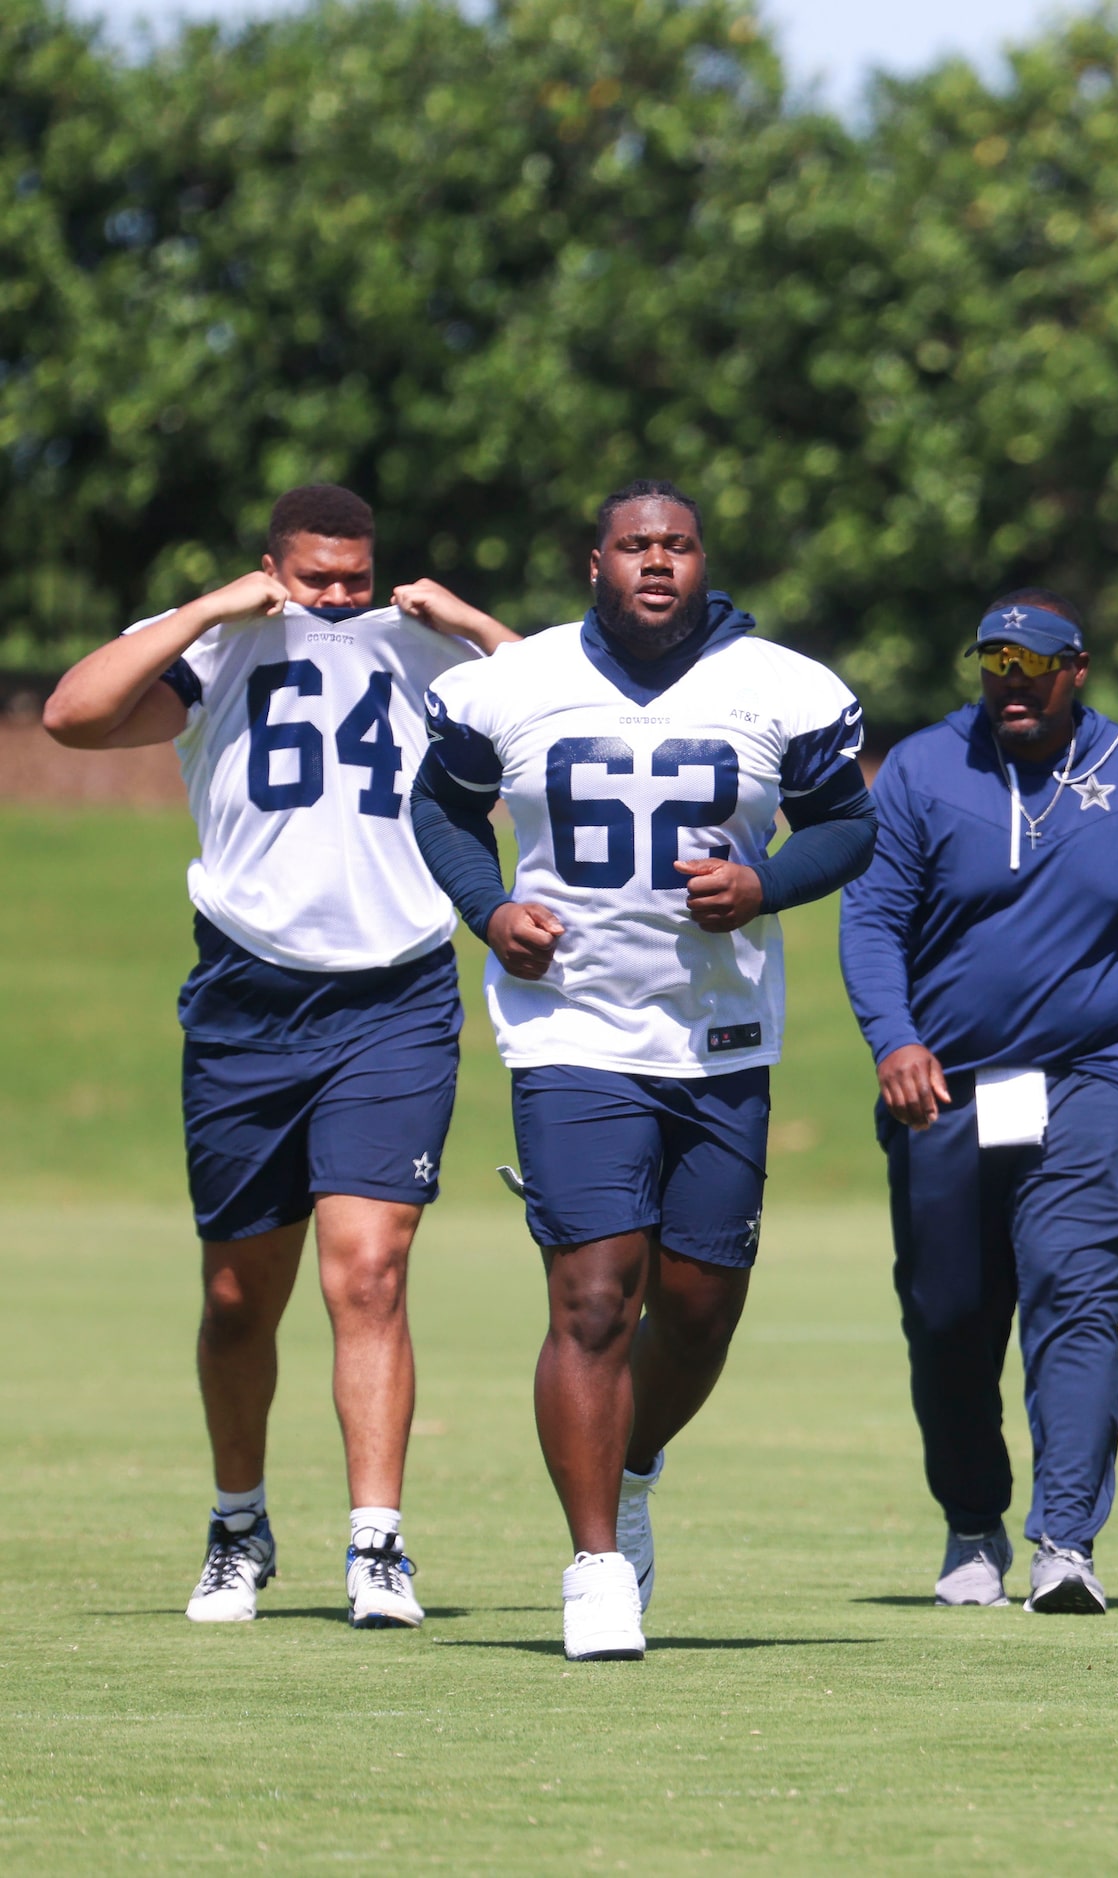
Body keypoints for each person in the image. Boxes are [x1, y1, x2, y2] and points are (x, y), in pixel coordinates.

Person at [408, 480, 876, 1662]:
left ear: (700, 560)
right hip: (569, 1029)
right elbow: (443, 808)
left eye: (675, 546)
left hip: (718, 1036)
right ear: (594, 563)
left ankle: (631, 1469)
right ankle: (594, 1566)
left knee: (702, 1309)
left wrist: (767, 884)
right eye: (634, 546)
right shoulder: (506, 684)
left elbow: (847, 825)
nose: (656, 563)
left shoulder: (784, 685)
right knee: (593, 1296)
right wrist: (489, 908)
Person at [41, 483, 516, 1629]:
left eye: (355, 576)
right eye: (315, 578)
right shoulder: (220, 646)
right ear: (273, 565)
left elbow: (573, 710)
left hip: (395, 992)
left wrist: (465, 621)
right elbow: (74, 715)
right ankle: (238, 1525)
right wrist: (217, 604)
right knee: (234, 1298)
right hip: (248, 996)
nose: (338, 597)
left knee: (369, 1273)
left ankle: (377, 1546)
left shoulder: (429, 653)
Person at [838, 592, 1118, 1616]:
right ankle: (973, 1526)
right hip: (948, 1094)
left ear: (1078, 669)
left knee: (1075, 1294)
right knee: (949, 1319)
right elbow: (872, 918)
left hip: (1093, 1075)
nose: (1012, 686)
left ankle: (1066, 1541)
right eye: (994, 667)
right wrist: (895, 1040)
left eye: (1034, 668)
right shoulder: (924, 770)